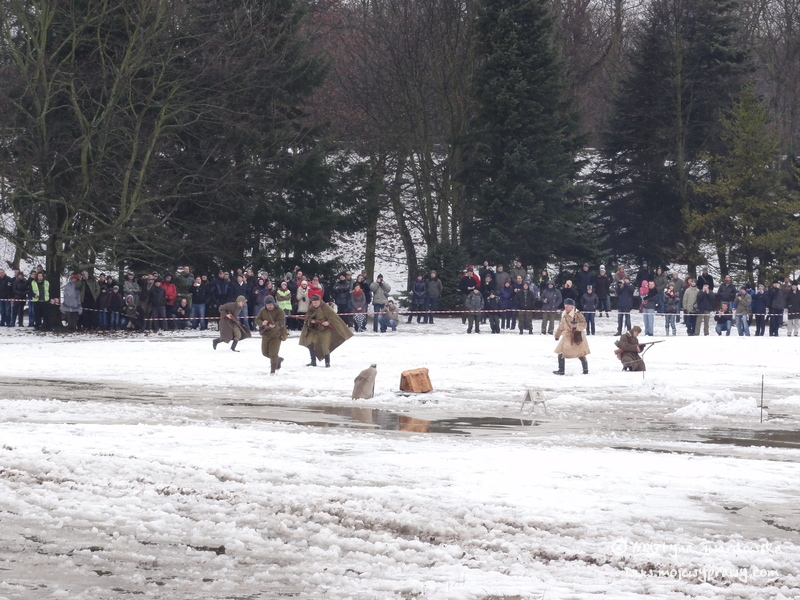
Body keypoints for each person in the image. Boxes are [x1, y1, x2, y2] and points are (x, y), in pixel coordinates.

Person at [299, 293, 353, 366]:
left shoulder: (326, 307)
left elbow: (333, 317)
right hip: (314, 329)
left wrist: (328, 322)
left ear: (320, 301)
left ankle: (327, 363)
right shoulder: (311, 308)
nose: (314, 304)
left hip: (325, 330)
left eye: (316, 302)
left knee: (325, 346)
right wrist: (311, 321)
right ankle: (313, 361)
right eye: (313, 303)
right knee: (310, 343)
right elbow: (308, 317)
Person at [553, 298, 590, 375]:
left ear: (572, 306)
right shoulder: (564, 314)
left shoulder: (578, 314)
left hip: (576, 336)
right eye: (565, 306)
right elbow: (561, 326)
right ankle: (561, 370)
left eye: (567, 306)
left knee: (580, 354)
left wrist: (577, 326)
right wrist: (557, 335)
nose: (565, 307)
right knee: (560, 351)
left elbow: (584, 324)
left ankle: (585, 370)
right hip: (566, 336)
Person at [255, 295, 287, 374]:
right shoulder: (262, 311)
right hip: (266, 334)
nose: (269, 306)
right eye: (267, 305)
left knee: (273, 354)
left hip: (276, 334)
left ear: (274, 303)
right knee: (265, 353)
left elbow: (282, 322)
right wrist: (262, 323)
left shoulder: (279, 311)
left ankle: (272, 371)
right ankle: (278, 359)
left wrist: (275, 325)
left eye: (270, 304)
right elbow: (257, 320)